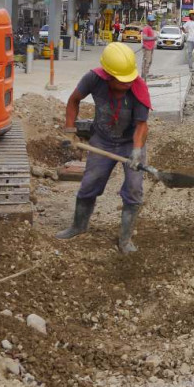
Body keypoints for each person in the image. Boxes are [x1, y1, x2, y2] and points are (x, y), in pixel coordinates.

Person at [57, 43, 152, 253]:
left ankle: (125, 240)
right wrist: (70, 130)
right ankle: (78, 226)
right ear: (108, 75)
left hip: (130, 143)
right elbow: (74, 100)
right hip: (102, 139)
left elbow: (141, 126)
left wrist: (137, 152)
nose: (127, 83)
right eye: (122, 80)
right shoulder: (93, 79)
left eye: (129, 79)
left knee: (134, 188)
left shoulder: (138, 87)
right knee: (90, 182)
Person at [140, 15, 157, 79]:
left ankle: (146, 73)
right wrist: (153, 38)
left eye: (153, 21)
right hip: (147, 48)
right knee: (146, 62)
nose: (152, 22)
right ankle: (144, 75)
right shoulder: (146, 28)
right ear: (148, 21)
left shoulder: (150, 28)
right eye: (151, 21)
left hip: (151, 48)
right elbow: (144, 37)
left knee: (149, 61)